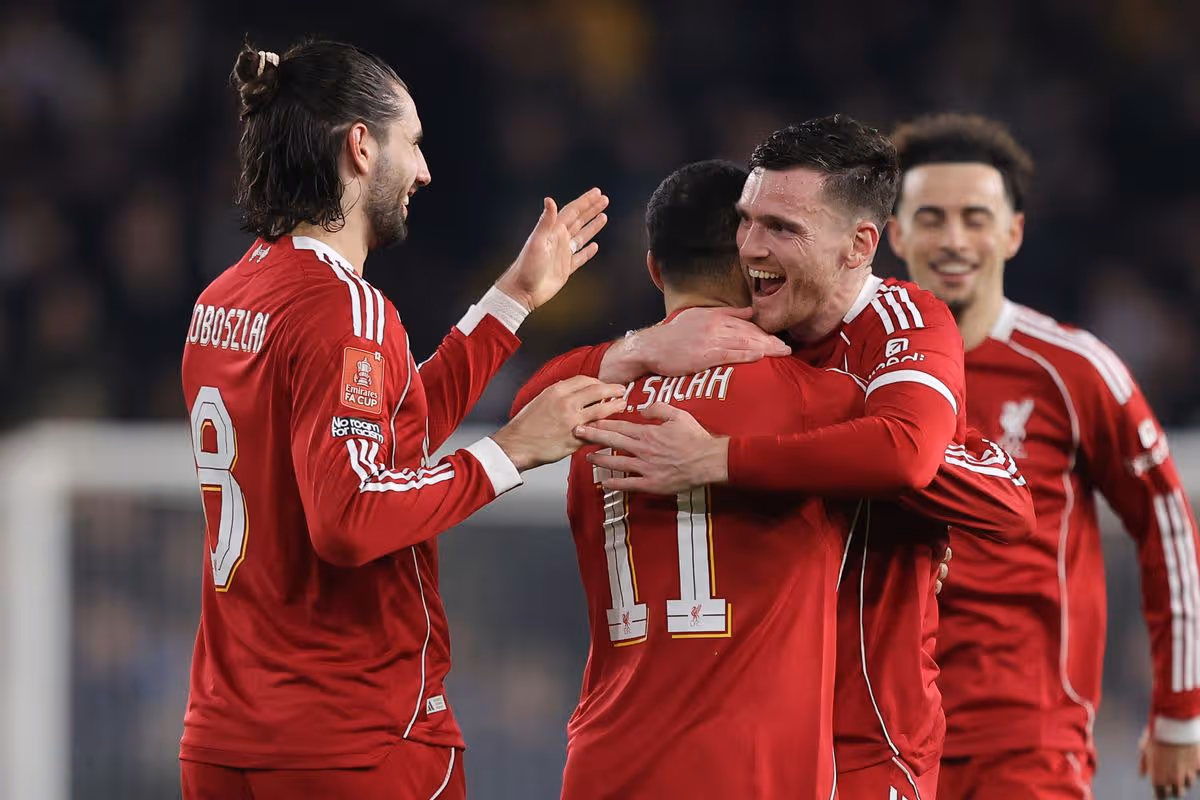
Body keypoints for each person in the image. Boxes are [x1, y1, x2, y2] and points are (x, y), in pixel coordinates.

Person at [177, 39, 634, 800]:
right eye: (412, 143)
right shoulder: (345, 309)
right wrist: (509, 452)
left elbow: (388, 432)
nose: (423, 171)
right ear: (361, 147)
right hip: (353, 739)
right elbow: (350, 518)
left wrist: (513, 298)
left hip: (225, 738)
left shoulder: (224, 298)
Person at [565, 118, 1034, 799]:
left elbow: (975, 485)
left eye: (782, 228)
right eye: (747, 221)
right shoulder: (726, 343)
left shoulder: (902, 327)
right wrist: (628, 350)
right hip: (748, 743)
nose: (750, 246)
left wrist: (725, 458)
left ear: (859, 245)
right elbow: (532, 407)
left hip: (868, 737)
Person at [514, 160, 870, 799]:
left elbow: (512, 416)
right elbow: (932, 463)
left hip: (603, 764)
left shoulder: (580, 406)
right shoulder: (815, 399)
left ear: (654, 269)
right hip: (749, 773)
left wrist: (625, 351)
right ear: (755, 264)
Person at [887, 112, 1200, 800]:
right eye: (932, 218)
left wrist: (1180, 709)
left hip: (1025, 738)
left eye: (975, 218)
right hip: (882, 736)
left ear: (1013, 232)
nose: (954, 239)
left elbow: (1166, 524)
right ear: (896, 233)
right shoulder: (859, 374)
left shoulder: (1072, 369)